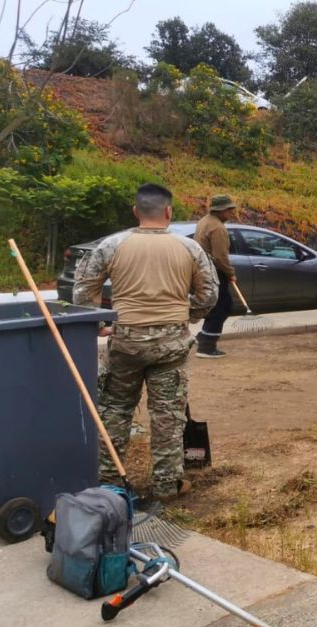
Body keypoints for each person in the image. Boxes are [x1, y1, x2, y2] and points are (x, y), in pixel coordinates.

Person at [74, 183, 218, 500]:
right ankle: (167, 484)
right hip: (171, 345)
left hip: (125, 341)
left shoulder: (112, 246)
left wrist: (99, 324)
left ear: (135, 211)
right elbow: (210, 294)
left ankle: (109, 483)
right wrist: (187, 314)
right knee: (167, 415)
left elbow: (83, 290)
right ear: (168, 211)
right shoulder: (190, 248)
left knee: (114, 410)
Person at [194, 194, 238, 358]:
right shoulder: (218, 227)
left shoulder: (204, 221)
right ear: (220, 210)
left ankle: (203, 337)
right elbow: (220, 256)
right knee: (222, 306)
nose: (232, 213)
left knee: (214, 306)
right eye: (229, 210)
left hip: (202, 268)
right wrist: (230, 273)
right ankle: (206, 346)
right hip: (214, 270)